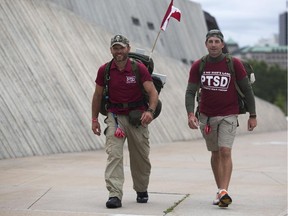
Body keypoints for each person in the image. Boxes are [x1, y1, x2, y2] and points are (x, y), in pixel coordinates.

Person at [185, 29, 257, 208]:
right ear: (206, 44)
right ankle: (220, 190)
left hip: (228, 115)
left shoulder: (234, 64)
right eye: (210, 41)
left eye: (217, 41)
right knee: (215, 153)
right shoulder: (198, 65)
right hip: (206, 117)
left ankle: (224, 191)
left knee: (225, 151)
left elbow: (247, 90)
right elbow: (190, 91)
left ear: (222, 45)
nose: (214, 44)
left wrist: (253, 115)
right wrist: (190, 114)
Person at [91, 34, 158, 208]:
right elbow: (98, 95)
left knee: (140, 157)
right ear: (111, 50)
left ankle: (141, 189)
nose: (119, 51)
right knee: (114, 154)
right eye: (115, 48)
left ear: (128, 48)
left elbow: (152, 92)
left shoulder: (139, 68)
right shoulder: (104, 70)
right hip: (115, 117)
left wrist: (150, 111)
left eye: (121, 47)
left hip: (138, 117)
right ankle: (114, 194)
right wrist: (94, 119)